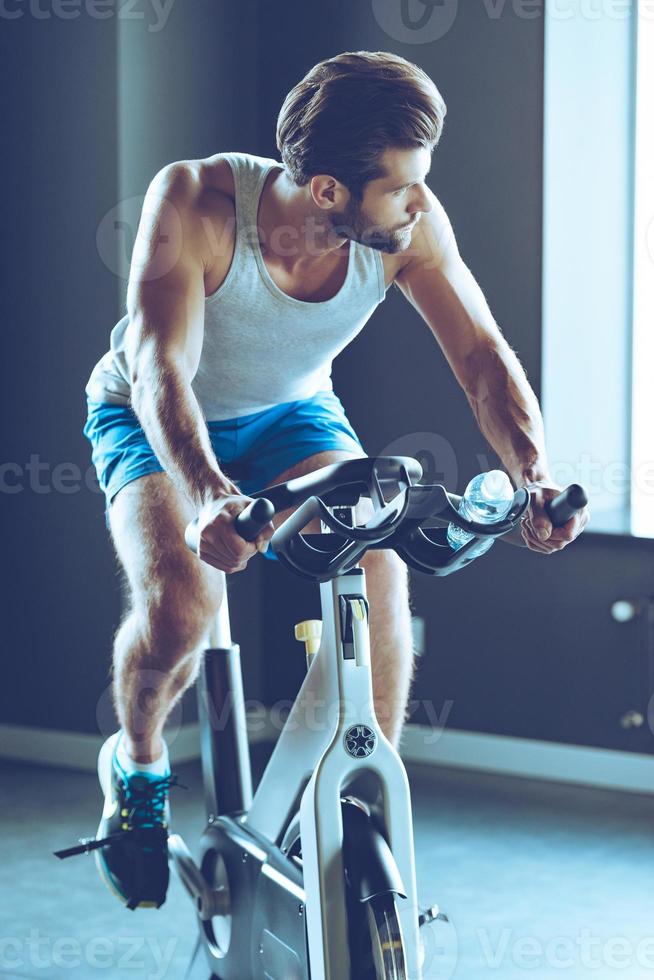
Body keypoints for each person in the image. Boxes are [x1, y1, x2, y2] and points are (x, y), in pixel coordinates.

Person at [79, 50, 589, 909]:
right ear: (326, 192)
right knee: (182, 609)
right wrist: (209, 495)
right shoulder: (196, 203)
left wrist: (533, 476)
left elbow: (480, 356)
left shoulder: (407, 227)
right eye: (402, 187)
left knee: (379, 556)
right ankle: (135, 763)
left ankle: (366, 794)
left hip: (291, 415)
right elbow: (160, 365)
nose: (421, 201)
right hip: (150, 413)